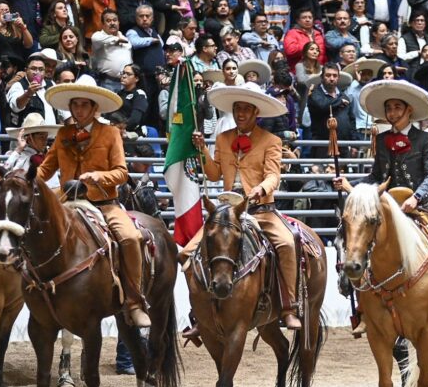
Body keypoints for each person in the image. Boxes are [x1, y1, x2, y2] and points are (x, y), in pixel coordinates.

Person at [333, 79, 428, 329]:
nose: (392, 113)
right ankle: (364, 309)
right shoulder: (383, 140)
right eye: (389, 109)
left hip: (422, 207)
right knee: (363, 243)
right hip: (388, 209)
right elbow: (375, 176)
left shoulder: (426, 140)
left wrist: (416, 197)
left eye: (397, 108)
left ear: (409, 110)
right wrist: (349, 184)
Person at [180, 82, 302, 330]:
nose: (241, 113)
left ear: (256, 112)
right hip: (227, 211)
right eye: (238, 108)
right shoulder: (223, 138)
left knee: (287, 244)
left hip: (260, 209)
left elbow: (273, 175)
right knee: (185, 253)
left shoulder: (271, 140)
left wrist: (262, 189)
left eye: (246, 109)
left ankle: (289, 307)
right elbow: (213, 174)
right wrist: (202, 148)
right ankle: (199, 313)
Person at [40, 82, 150, 328]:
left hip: (104, 203)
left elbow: (122, 172)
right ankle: (35, 291)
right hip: (67, 201)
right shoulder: (62, 134)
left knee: (130, 238)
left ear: (94, 108)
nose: (79, 110)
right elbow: (45, 170)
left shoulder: (110, 133)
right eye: (75, 105)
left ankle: (134, 302)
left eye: (84, 105)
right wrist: (20, 178)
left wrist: (99, 176)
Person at [3, 112, 60, 188]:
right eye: (41, 137)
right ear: (29, 138)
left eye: (46, 137)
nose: (45, 141)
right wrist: (19, 149)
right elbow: (6, 171)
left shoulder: (47, 155)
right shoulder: (21, 157)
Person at [91, 9, 133, 93]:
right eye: (108, 21)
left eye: (115, 20)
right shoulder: (98, 37)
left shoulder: (124, 38)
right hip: (108, 82)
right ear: (103, 24)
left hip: (125, 83)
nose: (112, 23)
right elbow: (95, 39)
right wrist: (116, 40)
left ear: (118, 22)